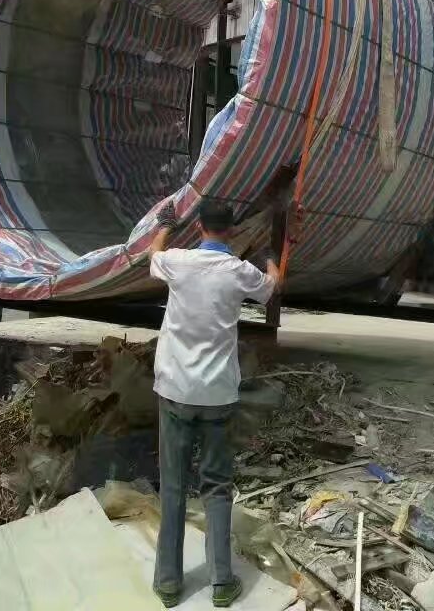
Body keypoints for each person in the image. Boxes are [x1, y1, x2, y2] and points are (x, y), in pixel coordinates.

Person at [149, 200, 280, 608]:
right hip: (218, 394)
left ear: (201, 226)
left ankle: (169, 583)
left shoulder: (179, 262)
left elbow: (151, 255)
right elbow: (272, 286)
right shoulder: (240, 273)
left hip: (175, 389)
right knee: (218, 488)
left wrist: (166, 224)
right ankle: (222, 583)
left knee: (172, 487)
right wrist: (274, 257)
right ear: (232, 230)